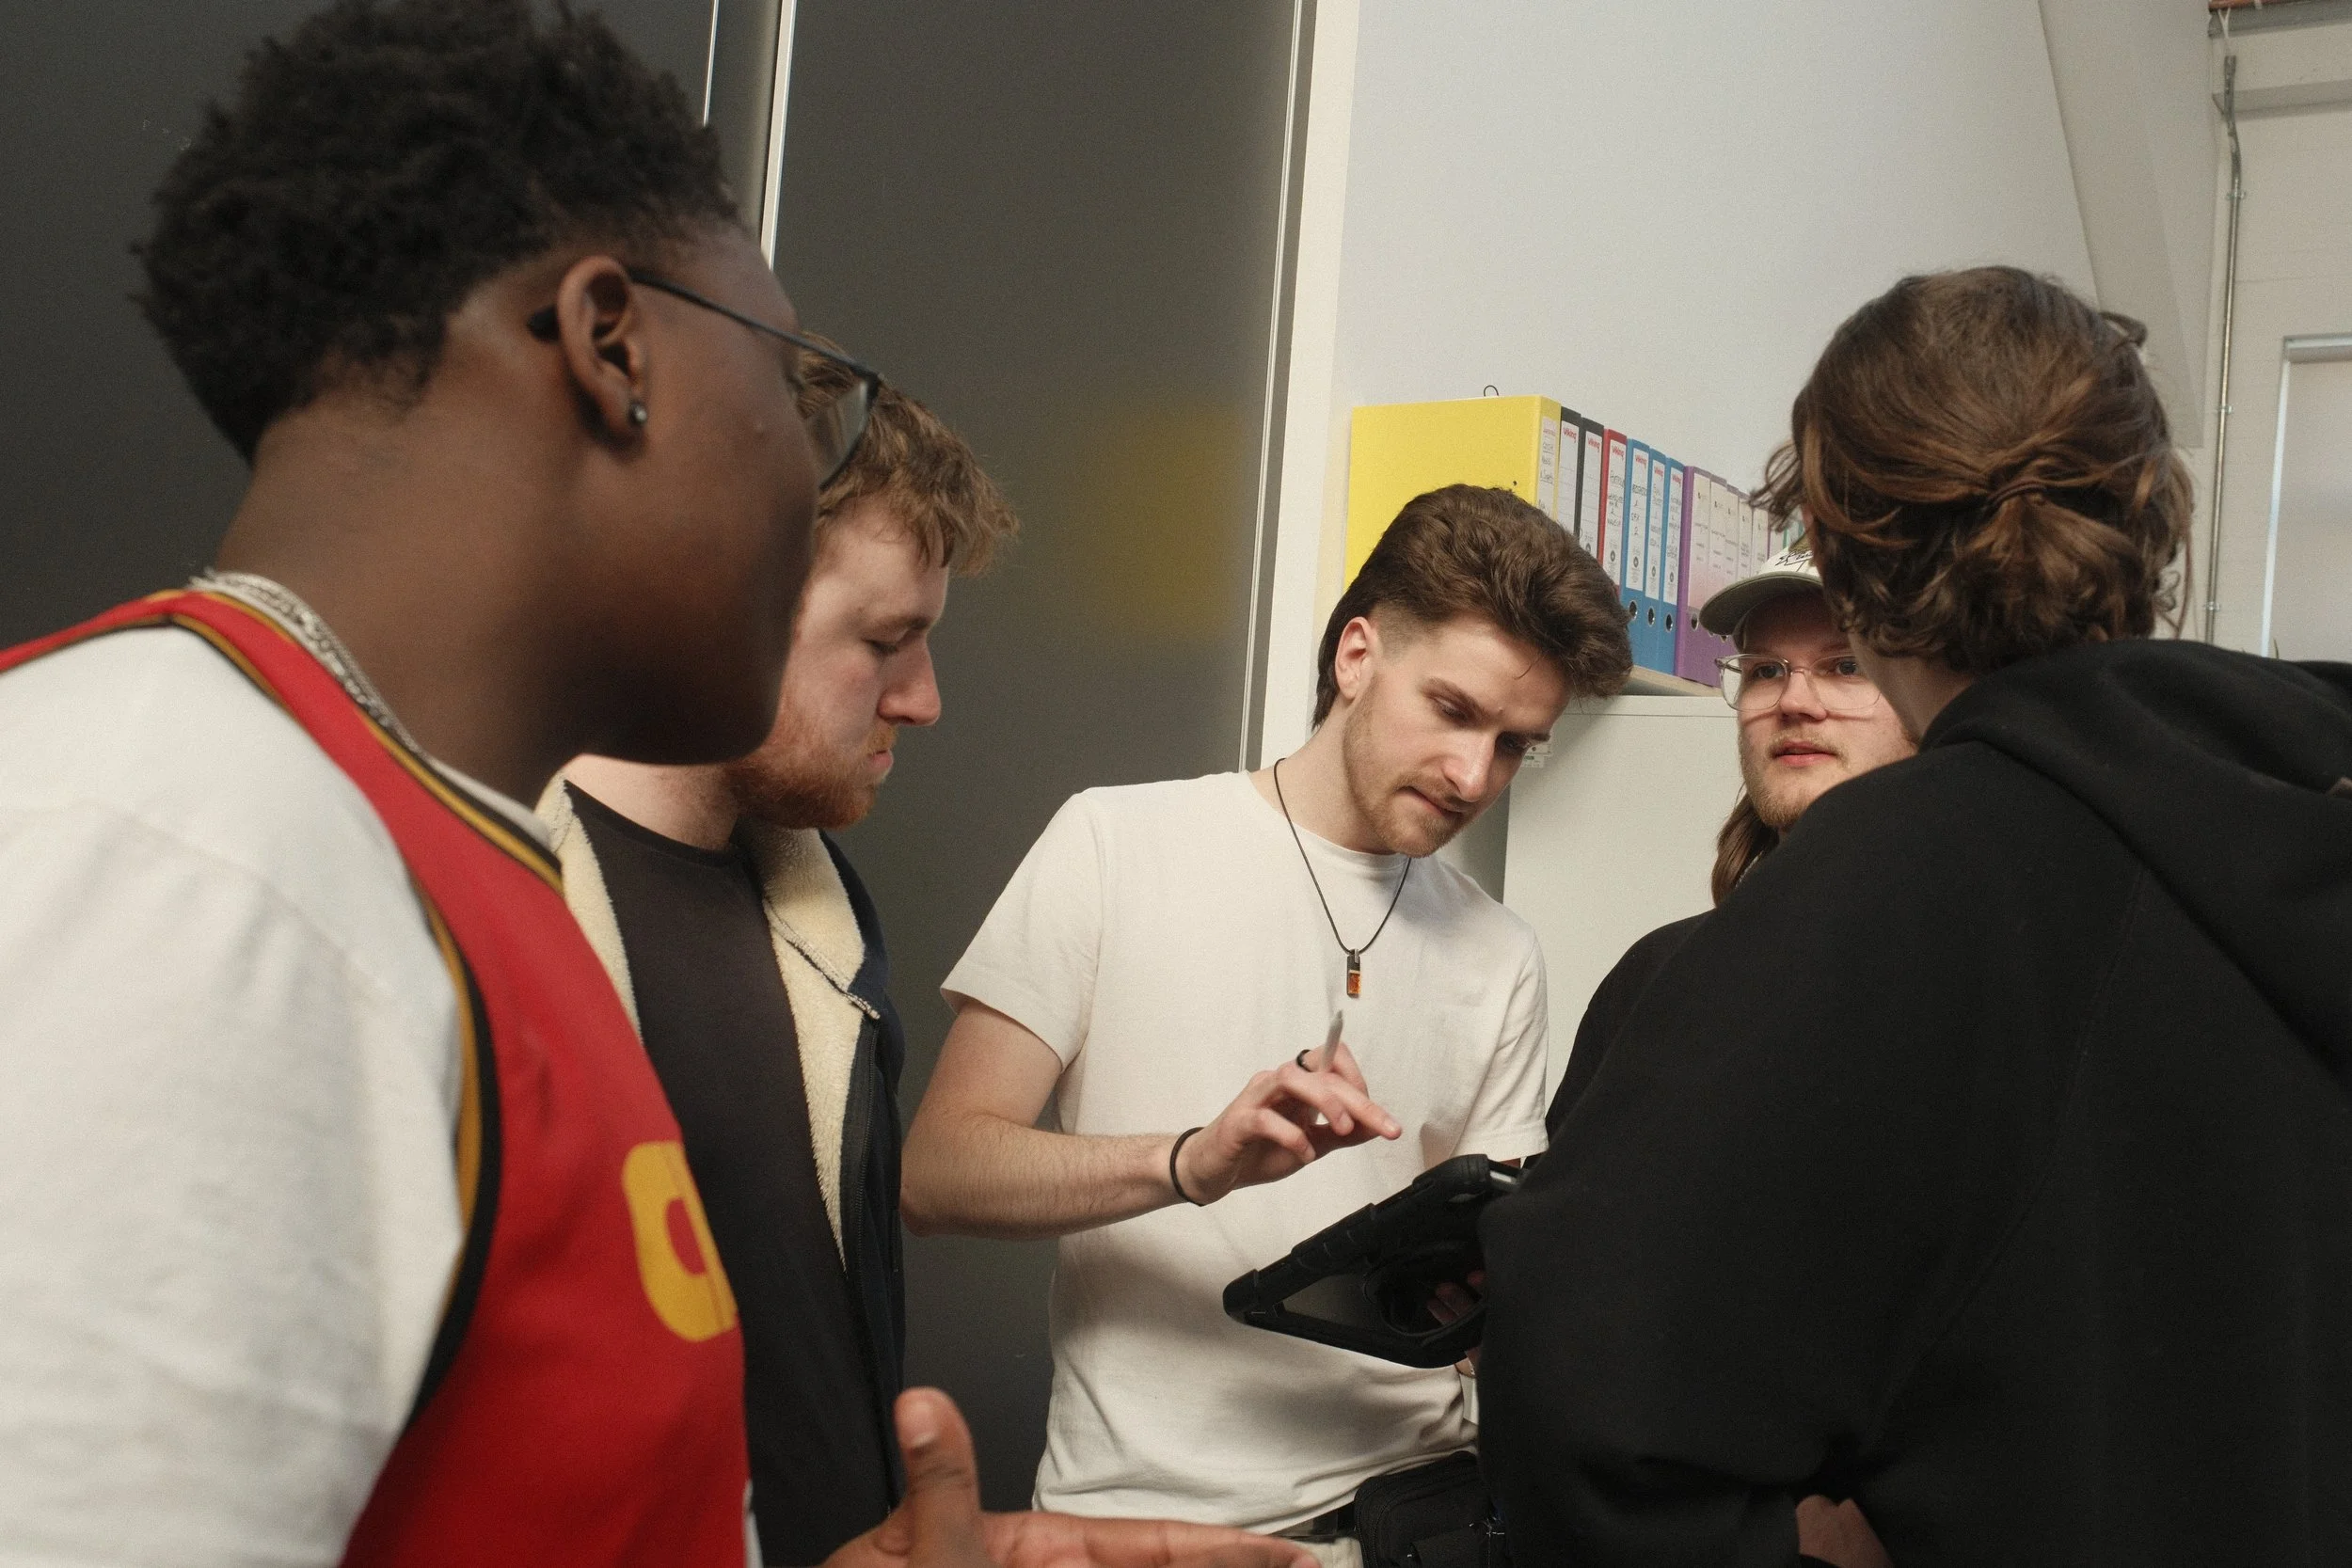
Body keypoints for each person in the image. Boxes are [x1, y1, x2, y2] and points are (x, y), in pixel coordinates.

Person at [0, 6, 1303, 1568]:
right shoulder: (173, 835)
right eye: (798, 388)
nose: (799, 468)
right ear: (615, 345)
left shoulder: (444, 865)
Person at [1480, 265, 2352, 1566]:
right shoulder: (2299, 813)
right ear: (2146, 523)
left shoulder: (1907, 879)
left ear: (1843, 543)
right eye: (1766, 669)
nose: (1794, 695)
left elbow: (1598, 1413)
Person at [902, 485, 1632, 1563]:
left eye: (1517, 744)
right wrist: (1193, 1160)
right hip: (1143, 1529)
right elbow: (936, 1171)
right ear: (1354, 655)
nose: (1476, 774)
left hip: (1421, 1521)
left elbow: (1494, 1304)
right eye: (1453, 709)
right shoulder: (1115, 841)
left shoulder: (1500, 950)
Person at [544, 362, 1017, 1566]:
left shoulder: (825, 918)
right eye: (885, 640)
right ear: (718, 598)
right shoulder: (497, 904)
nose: (925, 700)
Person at [1544, 548, 1915, 1133]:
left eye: (1846, 666)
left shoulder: (1982, 971)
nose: (1793, 702)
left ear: (1924, 703)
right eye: (1766, 670)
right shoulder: (1659, 981)